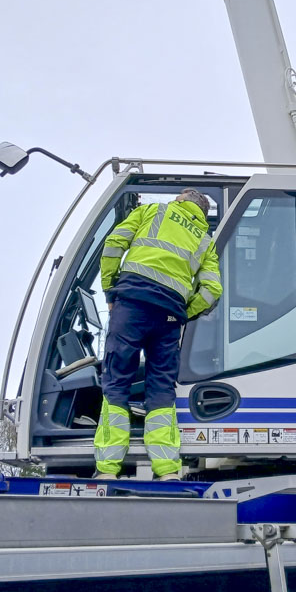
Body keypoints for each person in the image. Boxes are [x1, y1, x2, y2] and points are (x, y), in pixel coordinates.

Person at [93, 188, 222, 480]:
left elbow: (114, 244)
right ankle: (166, 470)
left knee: (117, 382)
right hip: (169, 316)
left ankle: (108, 469)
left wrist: (110, 290)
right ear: (202, 213)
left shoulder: (152, 211)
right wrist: (183, 313)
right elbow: (212, 290)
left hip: (132, 304)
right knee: (161, 388)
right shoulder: (205, 240)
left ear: (179, 200)